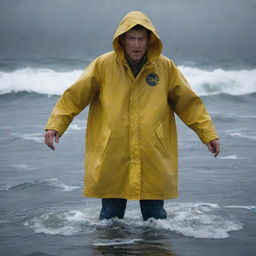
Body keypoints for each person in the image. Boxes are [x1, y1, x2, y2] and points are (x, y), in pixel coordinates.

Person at [44, 11, 220, 221]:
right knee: (110, 219)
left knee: (155, 220)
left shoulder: (165, 68)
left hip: (152, 152)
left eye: (141, 39)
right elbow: (74, 97)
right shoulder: (103, 65)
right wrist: (55, 125)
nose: (136, 45)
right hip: (113, 152)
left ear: (149, 41)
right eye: (131, 39)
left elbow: (189, 104)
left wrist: (208, 134)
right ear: (122, 40)